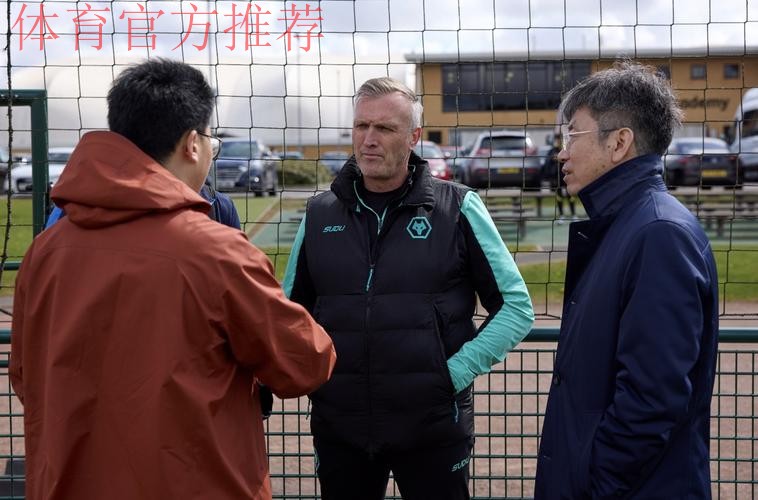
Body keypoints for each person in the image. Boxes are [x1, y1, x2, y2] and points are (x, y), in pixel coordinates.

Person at [9, 58, 336, 500]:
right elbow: (304, 363)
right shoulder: (216, 251)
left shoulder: (44, 252)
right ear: (191, 144)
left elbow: (24, 376)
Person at [283, 77, 534, 500]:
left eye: (385, 128)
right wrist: (316, 377)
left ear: (414, 137)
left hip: (433, 426)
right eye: (361, 126)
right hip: (340, 427)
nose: (369, 139)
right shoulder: (319, 213)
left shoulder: (458, 207)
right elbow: (288, 313)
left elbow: (516, 308)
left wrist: (451, 374)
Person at [534, 61, 719, 499]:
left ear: (619, 143)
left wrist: (596, 484)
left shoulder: (658, 234)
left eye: (572, 135)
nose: (562, 153)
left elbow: (651, 398)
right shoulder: (629, 224)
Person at [541, 134, 576, 223]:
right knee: (559, 197)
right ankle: (561, 216)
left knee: (570, 195)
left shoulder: (568, 149)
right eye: (557, 140)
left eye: (560, 139)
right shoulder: (552, 151)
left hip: (568, 177)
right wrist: (553, 159)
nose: (558, 141)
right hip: (557, 179)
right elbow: (547, 164)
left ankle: (573, 215)